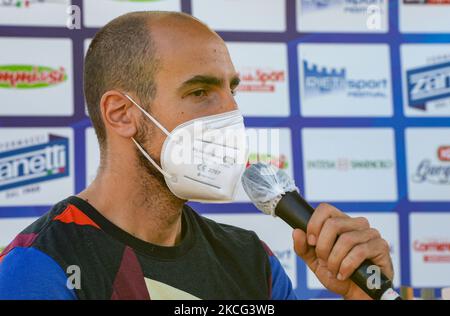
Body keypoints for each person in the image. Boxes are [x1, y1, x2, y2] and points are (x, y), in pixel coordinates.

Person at [0, 11, 393, 300]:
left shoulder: (251, 260)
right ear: (122, 114)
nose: (230, 114)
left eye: (232, 91)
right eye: (201, 92)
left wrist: (362, 297)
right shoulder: (40, 266)